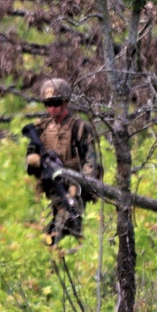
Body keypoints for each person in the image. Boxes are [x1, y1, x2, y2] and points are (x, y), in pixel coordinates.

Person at [25, 77, 103, 243]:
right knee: (56, 225)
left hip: (73, 188)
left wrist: (78, 185)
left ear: (66, 102)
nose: (52, 108)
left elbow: (90, 162)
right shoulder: (42, 128)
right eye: (48, 104)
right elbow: (32, 153)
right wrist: (34, 159)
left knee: (66, 224)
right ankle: (61, 256)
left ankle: (60, 256)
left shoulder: (79, 127)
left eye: (56, 103)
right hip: (52, 188)